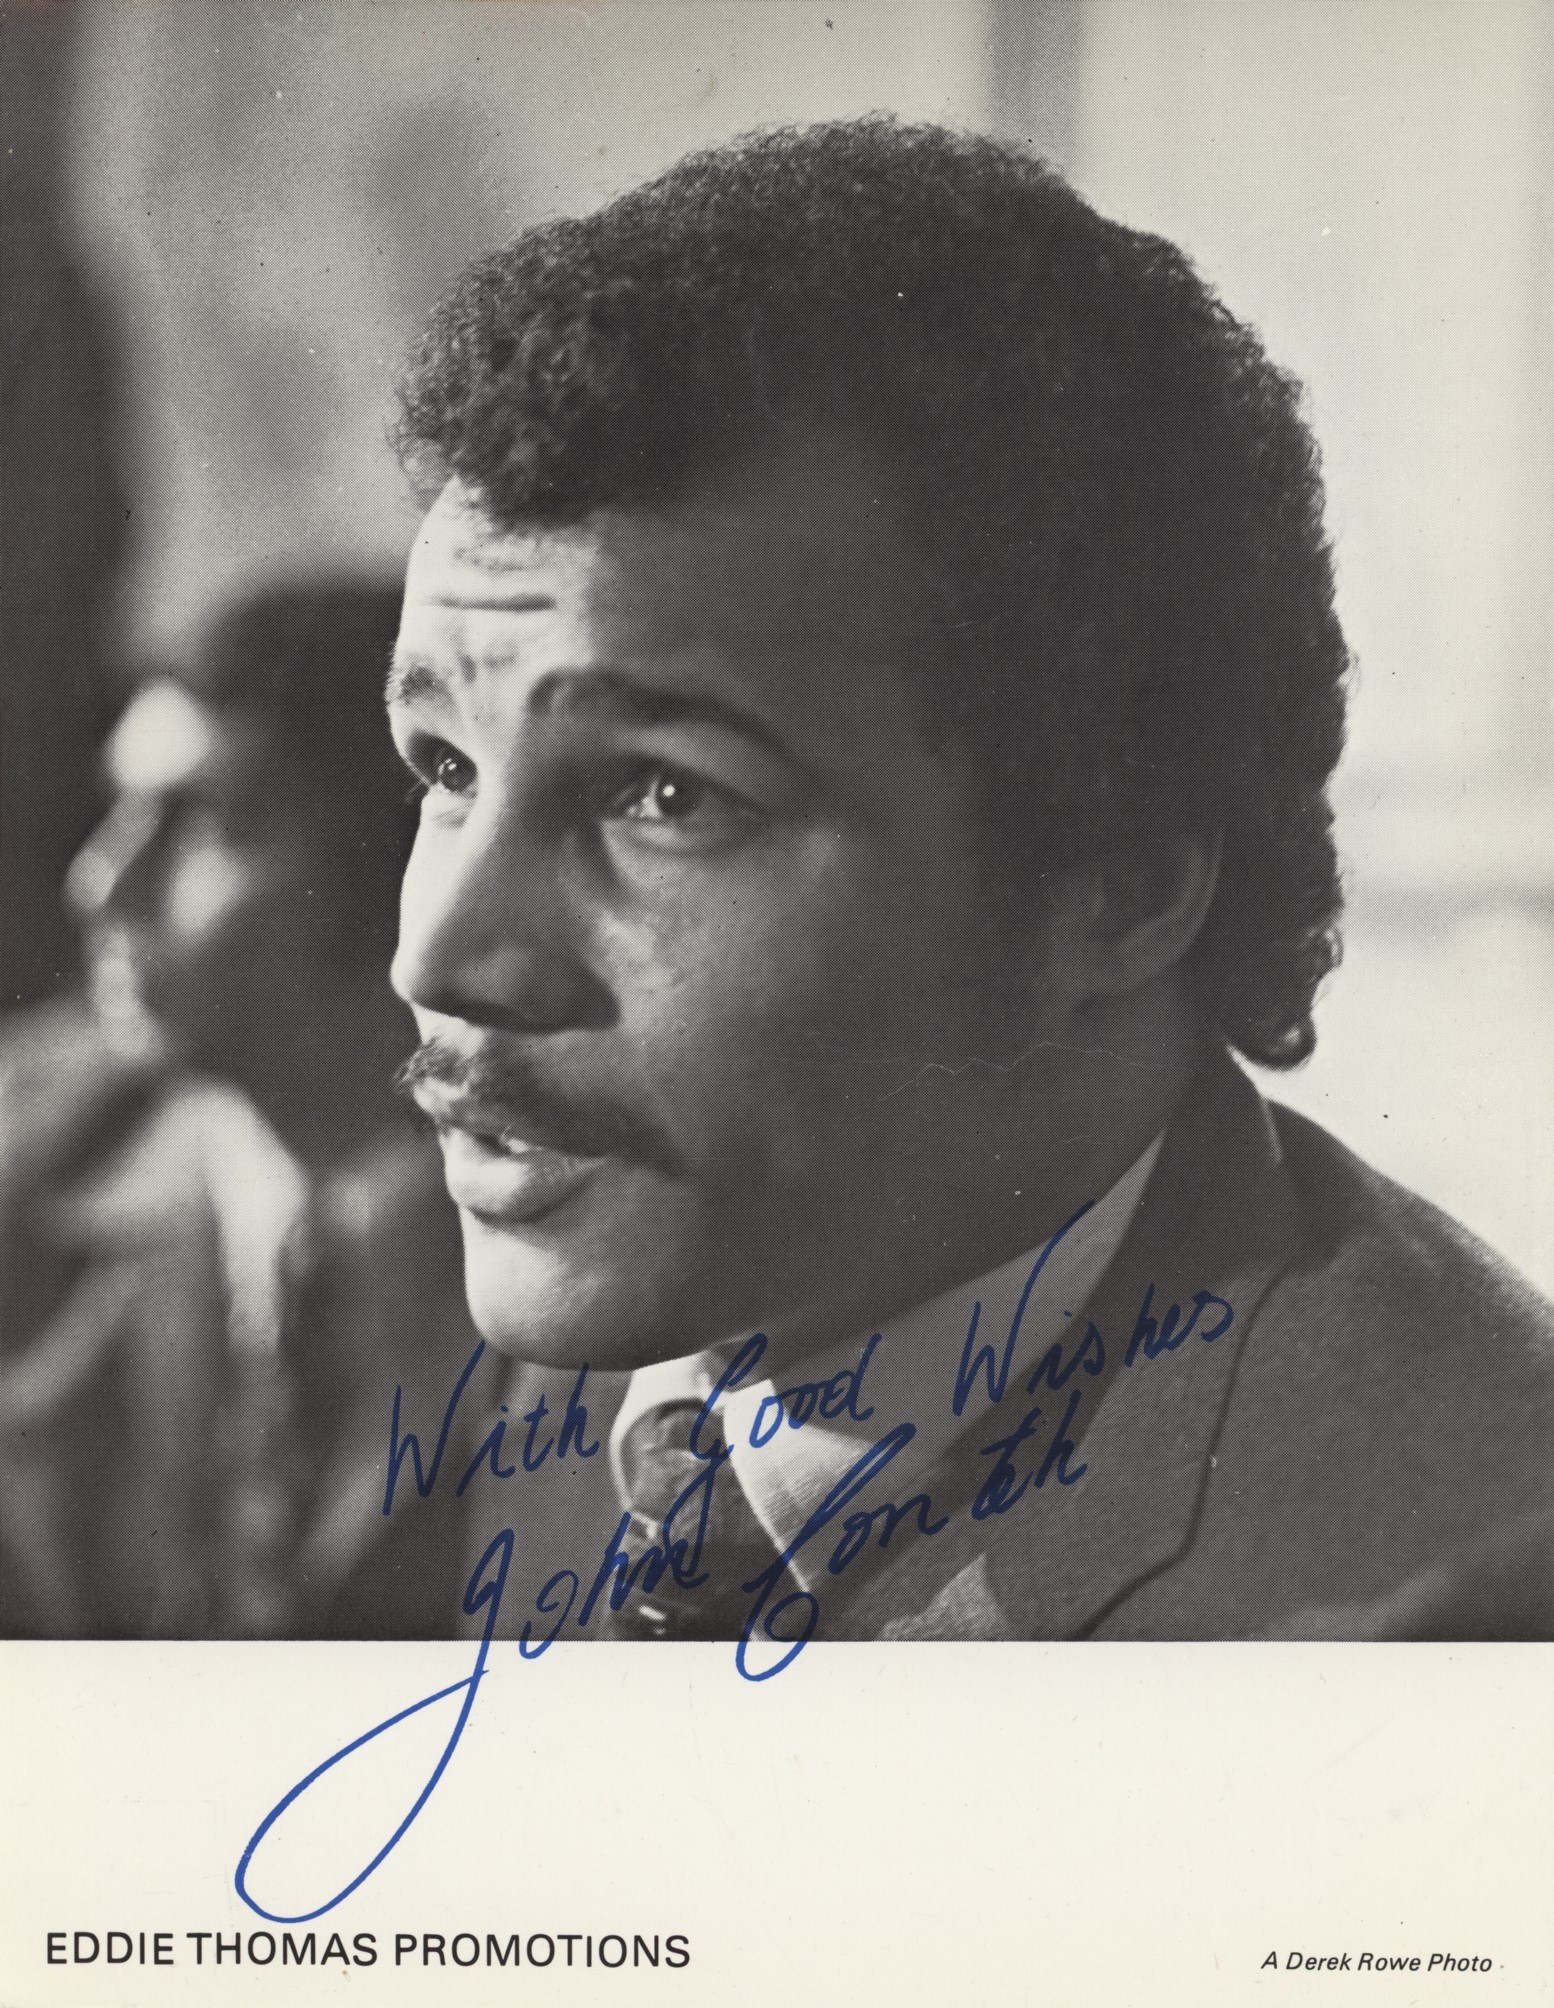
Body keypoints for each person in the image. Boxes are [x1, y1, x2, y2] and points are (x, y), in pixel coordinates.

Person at [381, 116, 1552, 1648]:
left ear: (1113, 891)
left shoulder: (1435, 1623)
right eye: (444, 767)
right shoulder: (627, 1318)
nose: (440, 955)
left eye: (664, 795)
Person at [0, 582, 493, 1638]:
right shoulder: (34, 1161)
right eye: (119, 809)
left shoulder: (573, 1216)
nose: (100, 883)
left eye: (207, 823)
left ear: (393, 867)